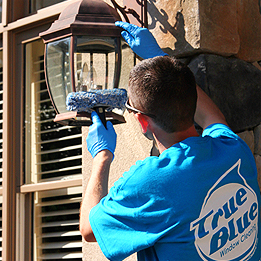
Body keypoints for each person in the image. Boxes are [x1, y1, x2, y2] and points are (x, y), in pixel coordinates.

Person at [80, 22, 261, 261]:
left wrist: (102, 156)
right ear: (192, 102)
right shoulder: (232, 150)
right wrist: (161, 58)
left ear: (143, 121)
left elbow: (89, 228)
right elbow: (212, 117)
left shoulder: (150, 183)